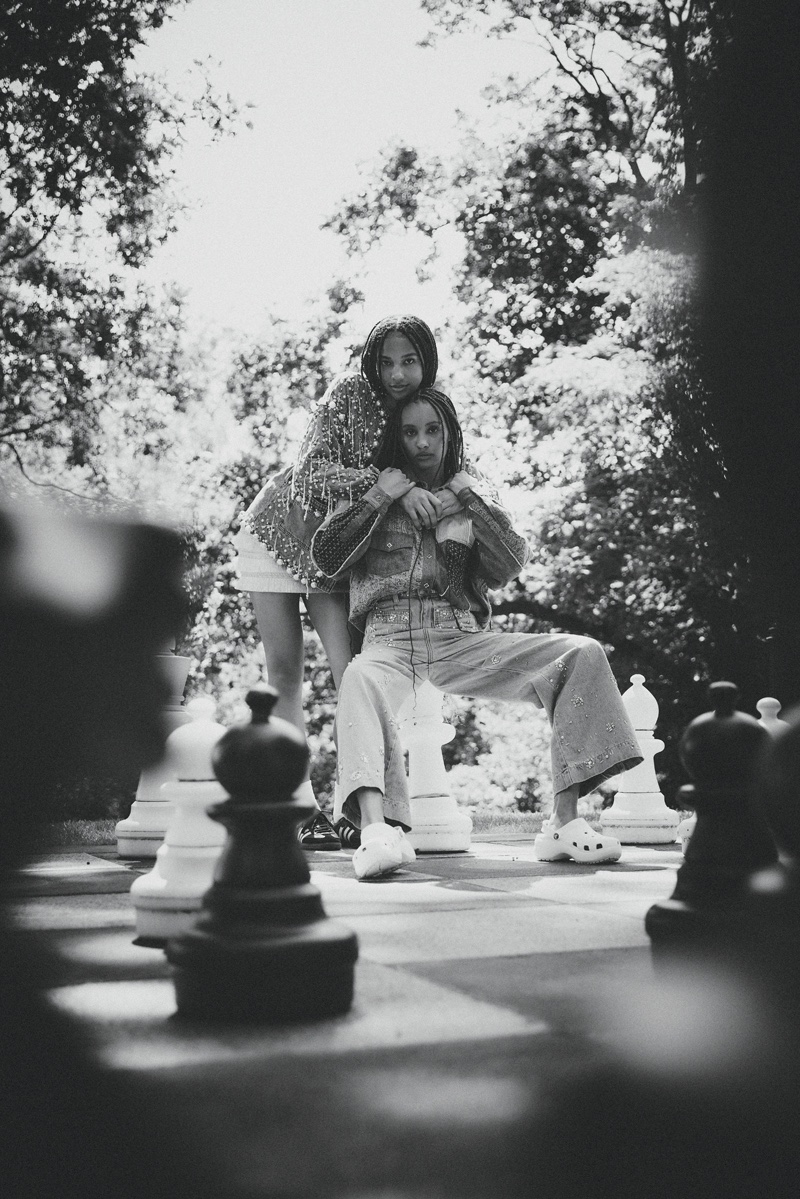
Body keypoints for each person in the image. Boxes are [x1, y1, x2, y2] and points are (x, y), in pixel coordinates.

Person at [311, 387, 643, 879]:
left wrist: (466, 496)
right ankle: (378, 831)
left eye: (433, 430)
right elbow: (327, 557)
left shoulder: (471, 495)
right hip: (388, 640)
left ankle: (563, 822)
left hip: (458, 639)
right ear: (396, 439)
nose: (422, 442)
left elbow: (510, 562)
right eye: (410, 432)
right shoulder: (373, 490)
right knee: (358, 678)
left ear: (450, 434)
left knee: (581, 652)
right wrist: (385, 495)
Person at [231, 316, 464, 850]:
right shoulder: (348, 393)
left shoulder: (429, 408)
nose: (397, 373)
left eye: (409, 360)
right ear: (371, 361)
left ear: (427, 359)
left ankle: (358, 810)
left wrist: (449, 498)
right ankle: (298, 808)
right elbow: (310, 470)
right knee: (284, 676)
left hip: (338, 551)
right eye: (386, 361)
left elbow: (448, 466)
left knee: (352, 676)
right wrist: (390, 487)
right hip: (279, 531)